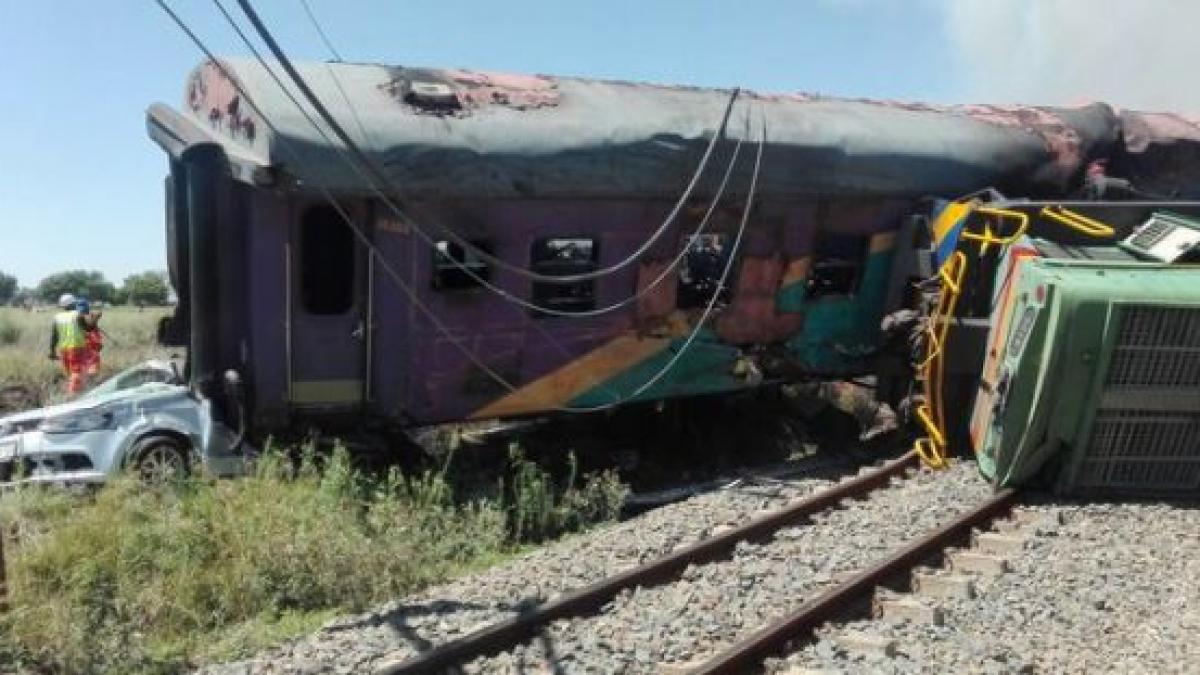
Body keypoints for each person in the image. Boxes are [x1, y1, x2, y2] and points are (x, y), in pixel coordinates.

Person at [48, 293, 89, 395]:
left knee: (71, 374)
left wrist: (52, 351)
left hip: (64, 350)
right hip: (77, 347)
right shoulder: (77, 314)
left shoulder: (57, 317)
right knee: (77, 373)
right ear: (73, 304)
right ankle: (72, 396)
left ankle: (77, 393)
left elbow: (54, 336)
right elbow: (88, 328)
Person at [77, 297, 104, 376]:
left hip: (82, 343)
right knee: (93, 361)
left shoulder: (75, 316)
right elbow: (98, 315)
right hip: (91, 342)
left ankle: (87, 375)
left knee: (84, 361)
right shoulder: (89, 316)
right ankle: (92, 375)